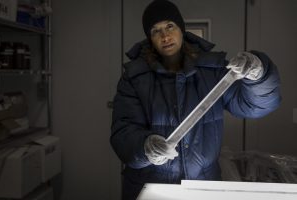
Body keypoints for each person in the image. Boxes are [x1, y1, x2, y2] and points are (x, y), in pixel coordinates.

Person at [110, 0, 281, 199]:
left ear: (181, 29)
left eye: (170, 26)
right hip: (150, 188)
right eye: (156, 31)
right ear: (150, 38)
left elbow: (254, 106)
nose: (165, 36)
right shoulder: (135, 78)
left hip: (203, 187)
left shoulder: (213, 70)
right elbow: (123, 131)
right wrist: (144, 147)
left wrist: (259, 74)